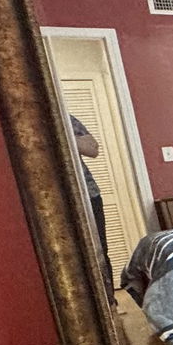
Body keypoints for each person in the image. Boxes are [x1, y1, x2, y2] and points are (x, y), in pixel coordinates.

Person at [70, 114, 116, 300]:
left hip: (89, 195)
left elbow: (92, 149)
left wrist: (63, 132)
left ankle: (109, 301)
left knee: (99, 249)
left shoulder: (65, 118)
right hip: (53, 200)